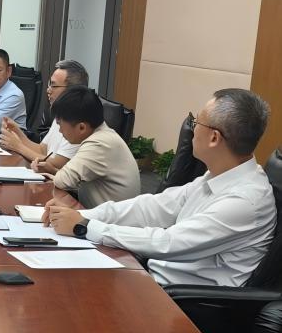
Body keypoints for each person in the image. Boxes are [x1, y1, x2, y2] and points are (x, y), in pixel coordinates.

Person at [45, 88, 275, 287]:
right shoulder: (216, 176)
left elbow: (168, 242)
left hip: (187, 303)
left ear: (214, 138)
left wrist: (85, 226)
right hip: (154, 278)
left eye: (197, 123)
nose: (193, 129)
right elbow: (151, 207)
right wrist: (83, 216)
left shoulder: (245, 201)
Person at [42, 86, 140, 208]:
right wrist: (53, 171)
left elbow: (62, 180)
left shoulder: (99, 144)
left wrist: (56, 174)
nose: (60, 130)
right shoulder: (103, 135)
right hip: (100, 210)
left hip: (109, 218)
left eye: (60, 124)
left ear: (82, 127)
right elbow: (73, 179)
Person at [0, 59, 88, 174]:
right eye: (49, 84)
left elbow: (56, 164)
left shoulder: (78, 122)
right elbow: (43, 150)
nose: (48, 90)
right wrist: (18, 132)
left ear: (72, 91)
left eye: (54, 85)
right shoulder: (61, 113)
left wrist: (18, 147)